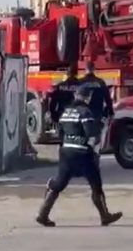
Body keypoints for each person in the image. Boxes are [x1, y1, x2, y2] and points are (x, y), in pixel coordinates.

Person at [36, 83, 123, 227]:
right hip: (83, 153)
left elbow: (60, 133)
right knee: (96, 184)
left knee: (59, 184)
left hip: (66, 152)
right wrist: (99, 126)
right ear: (87, 98)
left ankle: (42, 214)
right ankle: (104, 215)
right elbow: (91, 133)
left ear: (76, 96)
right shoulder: (85, 112)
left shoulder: (66, 112)